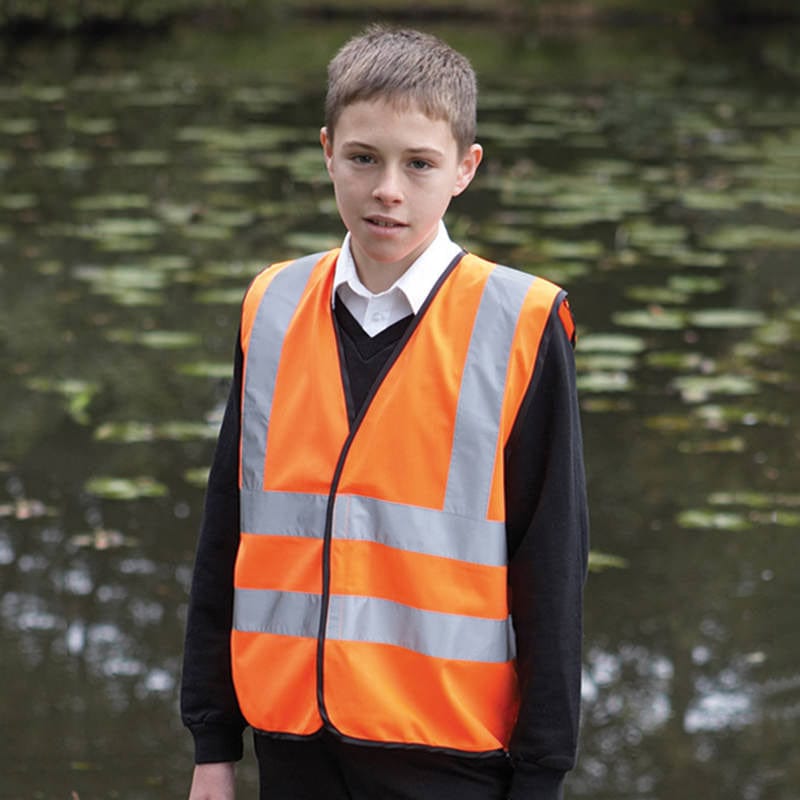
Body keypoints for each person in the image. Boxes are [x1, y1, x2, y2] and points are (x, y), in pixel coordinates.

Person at [181, 24, 589, 800]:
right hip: (290, 744)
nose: (388, 190)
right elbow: (224, 532)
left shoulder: (520, 321)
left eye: (419, 164)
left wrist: (541, 776)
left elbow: (554, 566)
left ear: (465, 169)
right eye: (364, 158)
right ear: (328, 150)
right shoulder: (271, 305)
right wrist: (212, 744)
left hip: (448, 755)